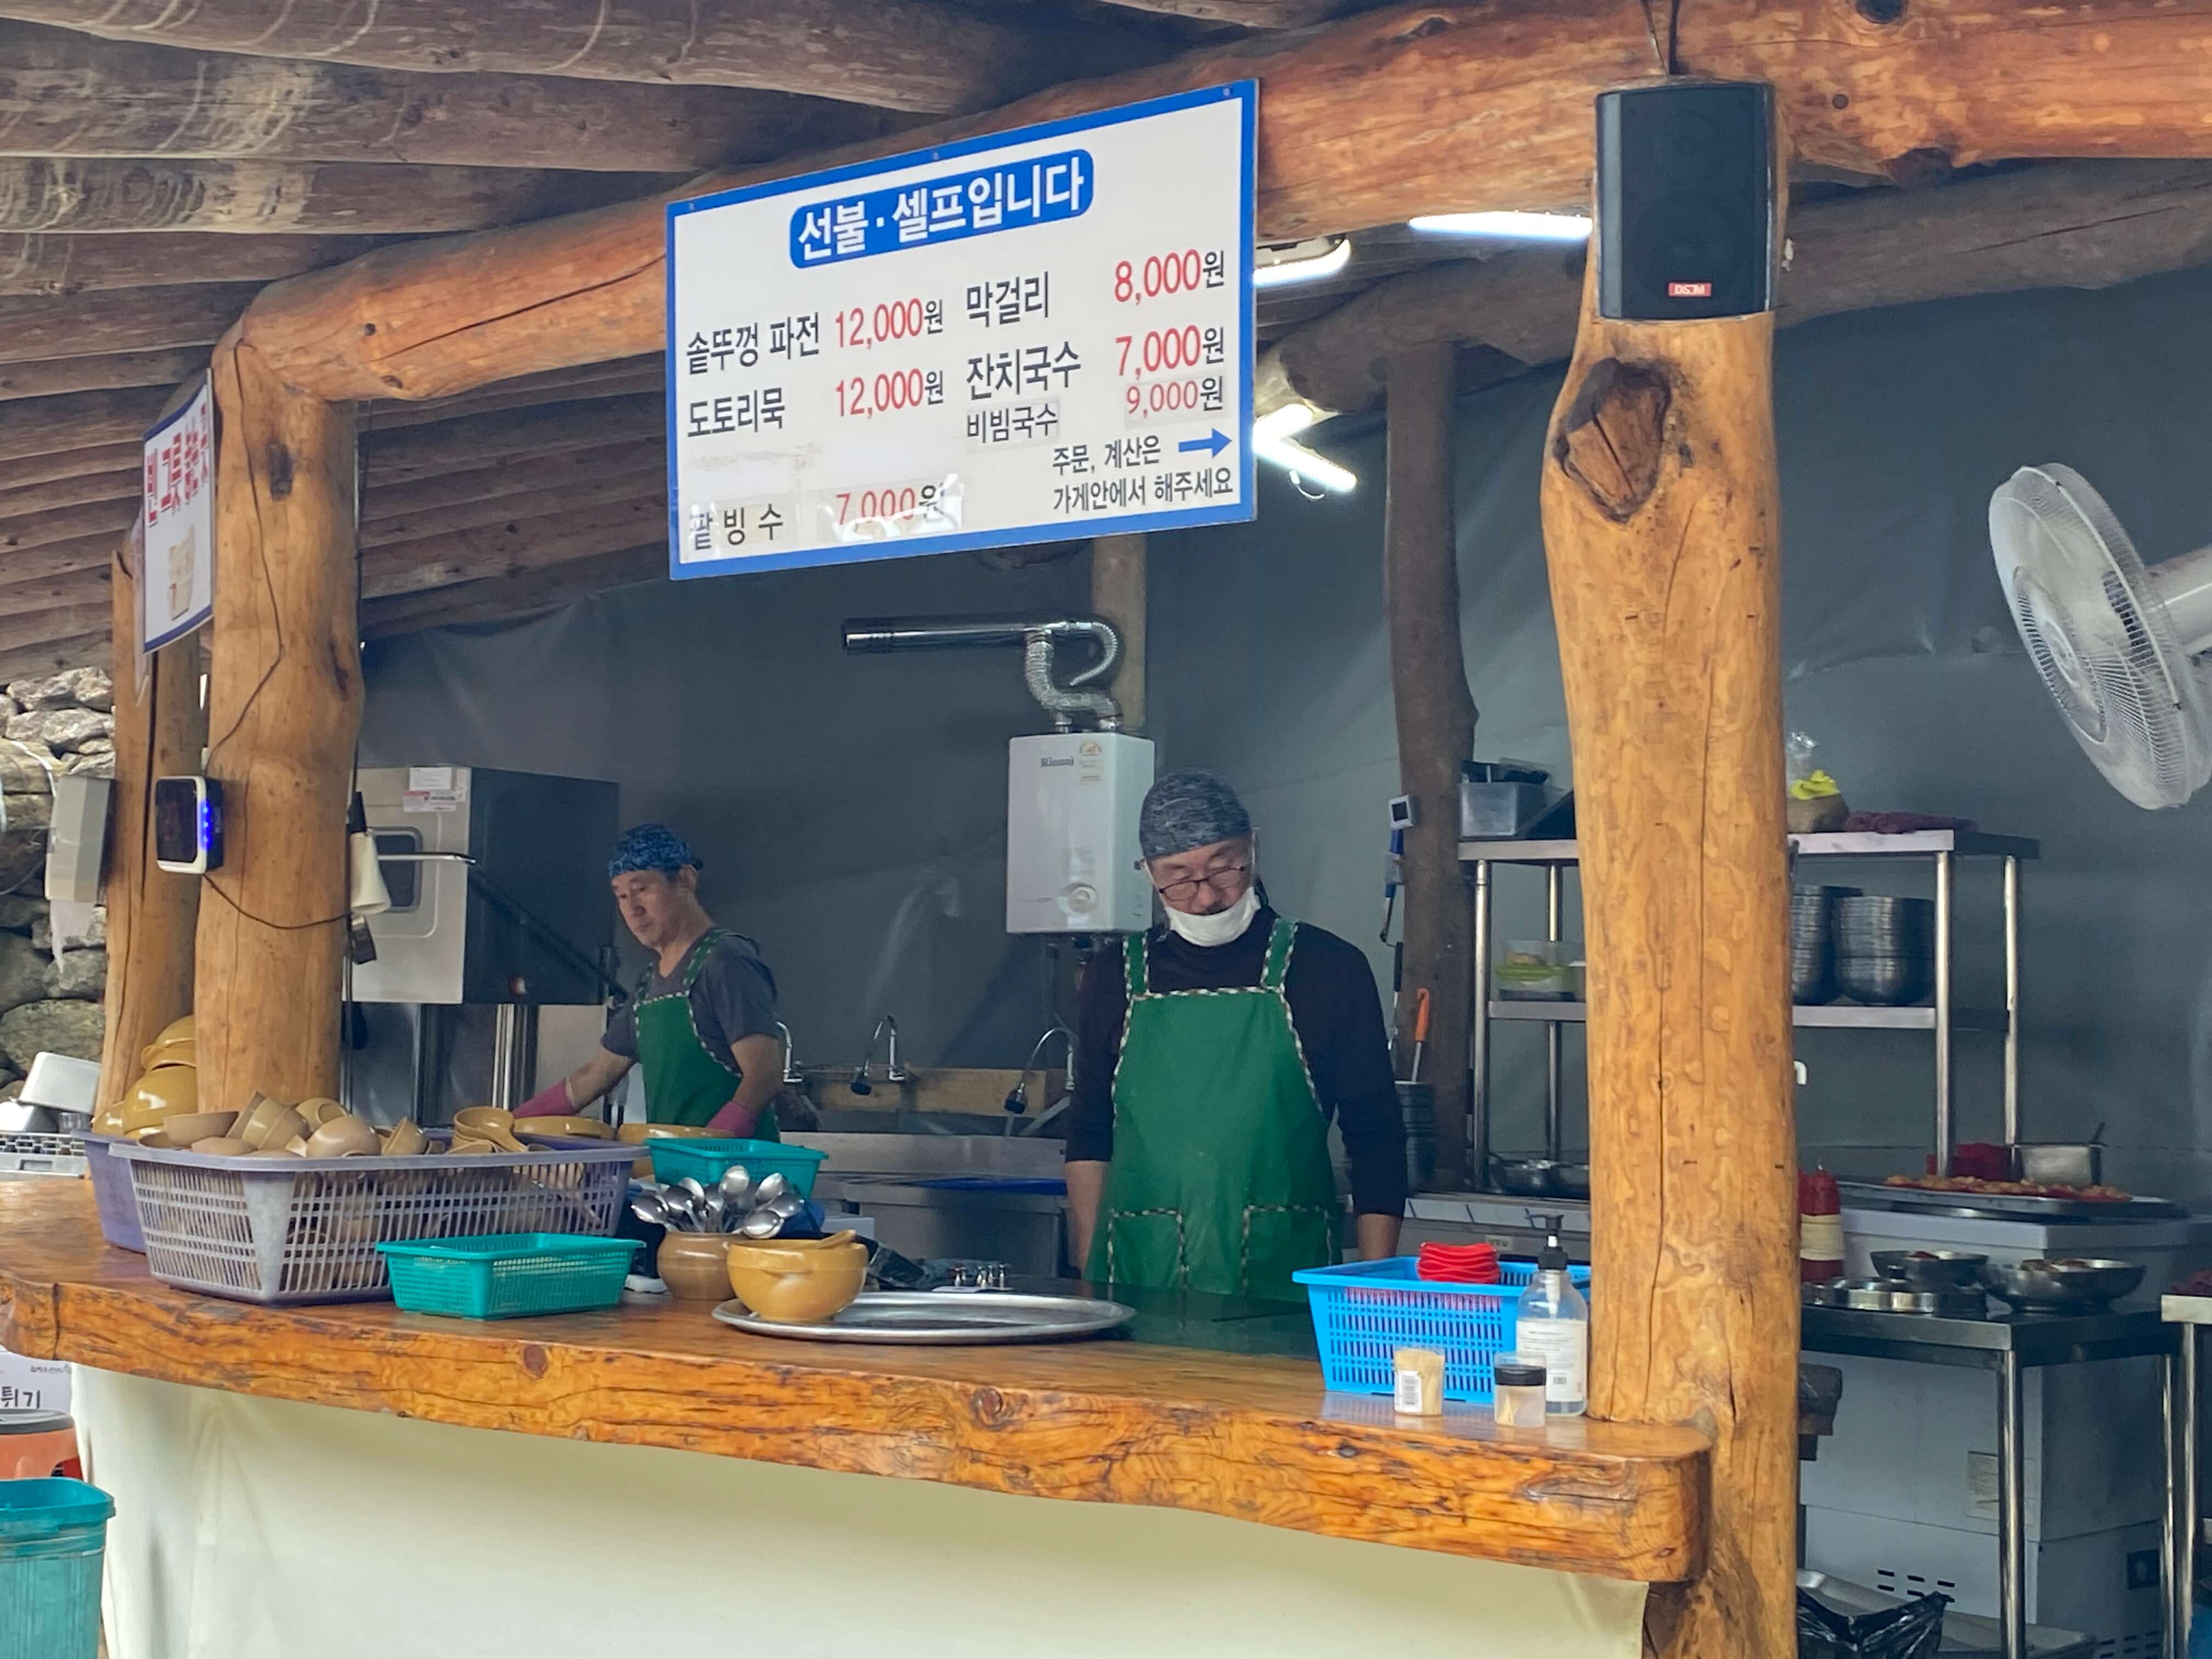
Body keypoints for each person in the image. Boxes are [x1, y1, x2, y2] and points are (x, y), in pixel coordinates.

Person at [1064, 770, 1406, 1302]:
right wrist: (1089, 1277)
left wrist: (1377, 1292)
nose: (1204, 897)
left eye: (1224, 867)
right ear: (1148, 873)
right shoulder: (1113, 978)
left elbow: (1376, 1136)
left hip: (1283, 1277)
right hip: (1136, 1278)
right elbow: (1089, 1131)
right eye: (1178, 876)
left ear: (1254, 848)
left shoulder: (1328, 970)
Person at [516, 824, 785, 1136]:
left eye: (642, 889)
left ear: (685, 879)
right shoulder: (648, 985)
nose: (633, 909)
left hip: (736, 1175)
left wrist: (712, 1144)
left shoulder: (725, 961)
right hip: (676, 1168)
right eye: (621, 896)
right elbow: (596, 1075)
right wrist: (506, 1126)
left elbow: (764, 1074)